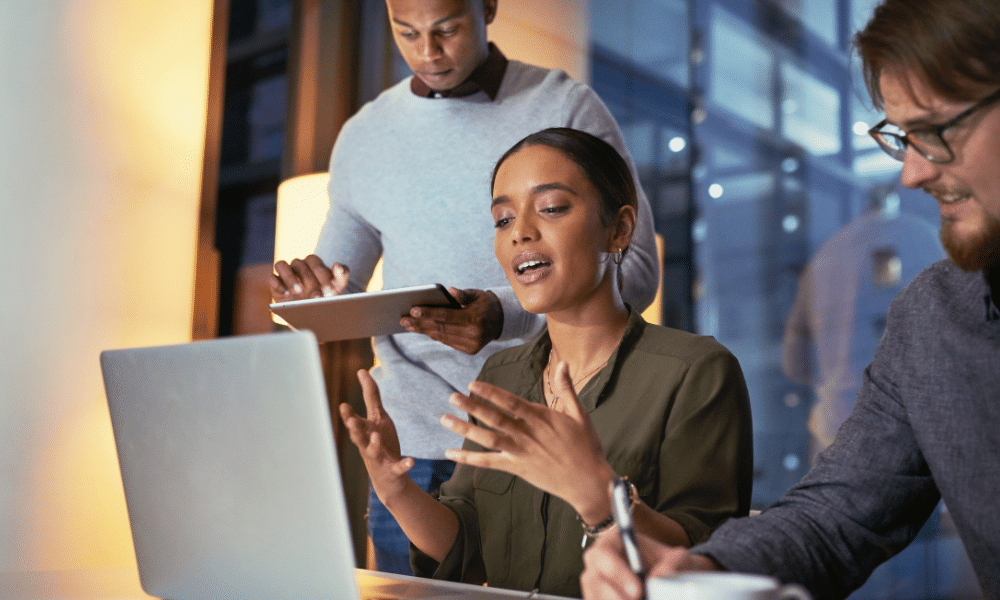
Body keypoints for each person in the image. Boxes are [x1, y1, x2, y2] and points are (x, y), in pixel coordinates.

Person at [579, 0, 1000, 598]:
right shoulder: (931, 318)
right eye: (902, 137)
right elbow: (833, 518)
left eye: (934, 131)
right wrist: (704, 570)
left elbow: (798, 360)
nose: (911, 174)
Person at [269, 0, 659, 574]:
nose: (428, 53)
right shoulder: (366, 136)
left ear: (488, 7)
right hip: (414, 447)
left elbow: (639, 269)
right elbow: (337, 282)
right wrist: (310, 298)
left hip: (543, 440)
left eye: (447, 29)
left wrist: (507, 316)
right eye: (406, 33)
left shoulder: (565, 106)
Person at [340, 128, 754, 598]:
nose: (520, 232)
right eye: (502, 219)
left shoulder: (695, 371)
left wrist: (600, 495)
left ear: (618, 229)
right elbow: (467, 544)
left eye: (552, 208)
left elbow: (707, 556)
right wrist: (394, 487)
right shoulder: (501, 376)